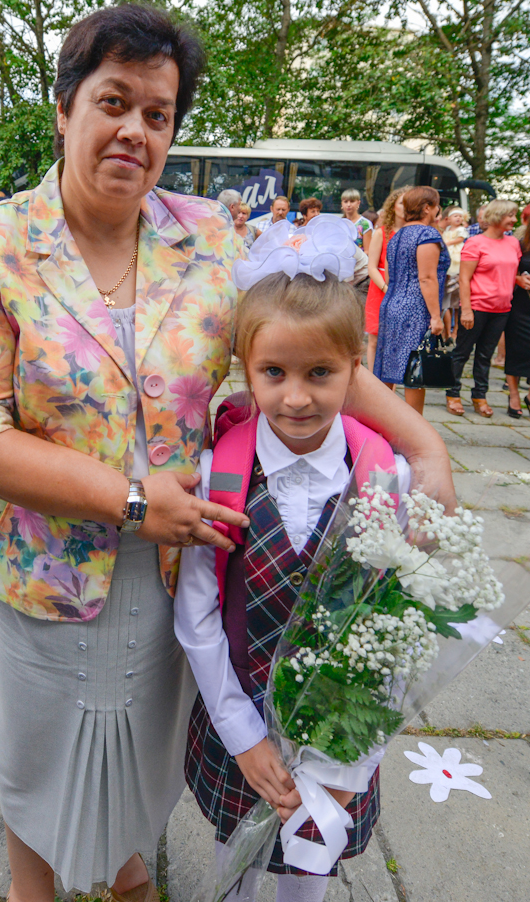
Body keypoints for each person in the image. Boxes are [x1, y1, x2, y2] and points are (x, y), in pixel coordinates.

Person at [0, 3, 454, 902]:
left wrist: (423, 446)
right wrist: (133, 499)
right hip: (47, 569)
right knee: (39, 763)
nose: (135, 128)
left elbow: (300, 342)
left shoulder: (209, 235)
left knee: (140, 759)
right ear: (65, 108)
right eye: (114, 100)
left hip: (184, 568)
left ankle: (129, 876)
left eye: (159, 113)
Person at [175, 223, 412, 902]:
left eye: (320, 374)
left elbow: (400, 630)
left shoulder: (382, 477)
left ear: (354, 366)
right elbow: (196, 615)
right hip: (236, 720)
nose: (296, 398)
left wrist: (357, 754)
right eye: (272, 374)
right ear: (244, 369)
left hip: (342, 727)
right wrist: (243, 735)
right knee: (235, 864)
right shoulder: (217, 475)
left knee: (311, 865)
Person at [374, 187, 449, 414]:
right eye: (436, 205)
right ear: (427, 208)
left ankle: (381, 423)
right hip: (416, 309)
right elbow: (427, 278)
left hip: (391, 304)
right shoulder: (427, 235)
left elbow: (390, 273)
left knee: (389, 368)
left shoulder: (397, 235)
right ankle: (413, 427)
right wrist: (436, 317)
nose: (438, 209)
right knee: (415, 371)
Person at [445, 200, 522, 417]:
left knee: (485, 355)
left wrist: (518, 281)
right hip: (477, 307)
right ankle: (453, 393)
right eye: (510, 216)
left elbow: (506, 271)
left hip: (502, 309)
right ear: (497, 216)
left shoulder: (513, 243)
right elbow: (464, 278)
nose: (514, 220)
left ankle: (480, 395)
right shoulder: (476, 243)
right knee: (462, 353)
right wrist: (466, 309)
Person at [365, 187, 410, 374]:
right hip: (380, 289)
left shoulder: (415, 233)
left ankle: (392, 379)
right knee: (375, 338)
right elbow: (372, 267)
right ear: (393, 207)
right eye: (402, 202)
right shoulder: (381, 233)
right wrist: (385, 287)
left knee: (399, 339)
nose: (406, 207)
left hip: (406, 291)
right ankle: (375, 380)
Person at [504, 220, 530, 417]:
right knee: (516, 349)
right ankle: (513, 396)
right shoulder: (520, 244)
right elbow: (504, 270)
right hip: (521, 306)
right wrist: (518, 280)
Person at [441, 206, 470, 340]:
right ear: (448, 219)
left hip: (457, 263)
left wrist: (447, 243)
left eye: (460, 216)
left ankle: (455, 330)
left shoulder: (461, 230)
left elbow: (459, 239)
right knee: (447, 302)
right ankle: (447, 331)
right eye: (455, 216)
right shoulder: (446, 230)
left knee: (456, 301)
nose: (458, 218)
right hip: (448, 265)